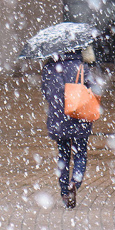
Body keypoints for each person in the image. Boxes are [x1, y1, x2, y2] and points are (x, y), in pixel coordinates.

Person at [40, 44, 98, 208]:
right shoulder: (82, 66)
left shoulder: (50, 67)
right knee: (80, 153)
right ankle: (75, 183)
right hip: (79, 115)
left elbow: (46, 92)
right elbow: (93, 88)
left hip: (59, 118)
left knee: (63, 155)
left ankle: (65, 192)